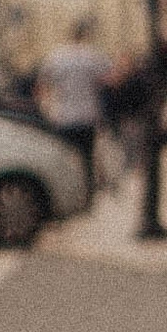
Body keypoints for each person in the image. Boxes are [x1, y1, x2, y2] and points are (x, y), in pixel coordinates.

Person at [33, 17, 113, 200]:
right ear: (85, 35)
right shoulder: (93, 56)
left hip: (63, 116)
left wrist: (45, 108)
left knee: (67, 158)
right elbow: (110, 80)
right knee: (87, 157)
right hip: (87, 116)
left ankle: (70, 193)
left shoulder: (57, 57)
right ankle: (88, 194)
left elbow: (42, 86)